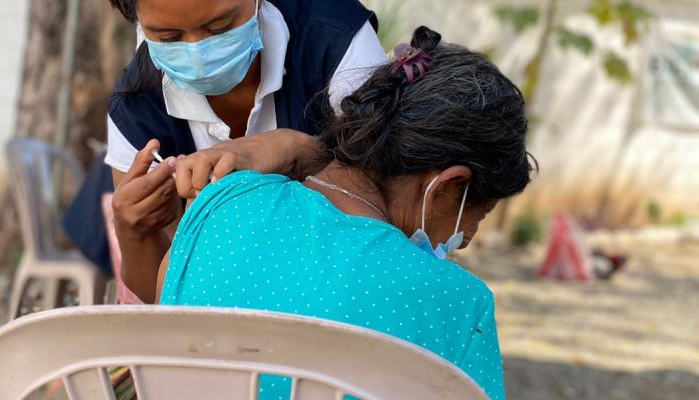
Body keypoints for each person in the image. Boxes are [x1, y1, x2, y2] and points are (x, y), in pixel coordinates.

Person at [147, 27, 534, 400]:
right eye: (470, 223)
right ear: (448, 186)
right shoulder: (458, 303)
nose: (459, 244)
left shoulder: (219, 203)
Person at [100, 0, 388, 303]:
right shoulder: (135, 108)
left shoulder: (335, 41)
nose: (198, 53)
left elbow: (391, 202)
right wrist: (135, 233)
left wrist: (298, 150)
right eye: (168, 37)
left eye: (220, 27)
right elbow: (164, 301)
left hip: (345, 299)